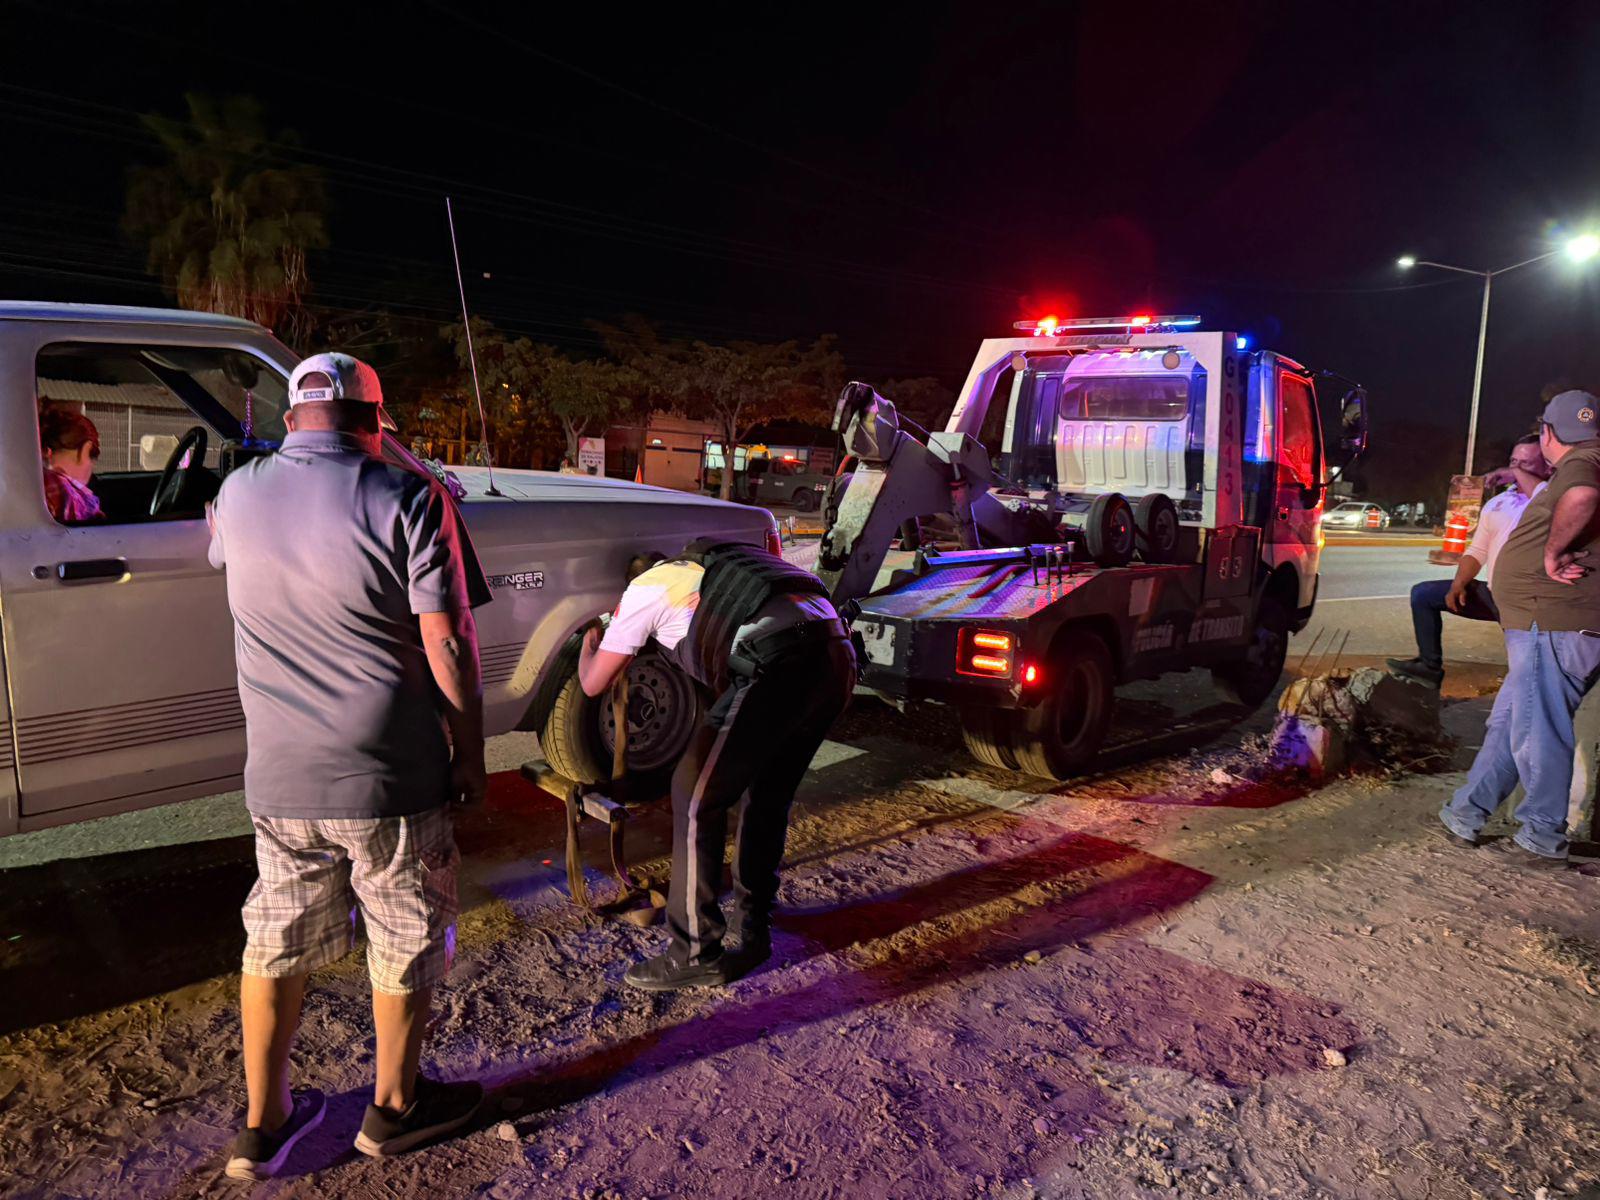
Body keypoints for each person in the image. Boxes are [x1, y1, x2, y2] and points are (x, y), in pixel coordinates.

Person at [209, 353, 492, 1180]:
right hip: (388, 775)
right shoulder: (410, 495)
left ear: (292, 418)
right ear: (378, 421)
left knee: (275, 935)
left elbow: (225, 557)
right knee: (403, 931)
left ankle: (264, 1125)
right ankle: (394, 1109)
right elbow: (447, 640)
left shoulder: (236, 494)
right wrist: (468, 750)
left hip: (279, 778)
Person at [577, 539, 857, 990]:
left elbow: (593, 685)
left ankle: (693, 951)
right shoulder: (717, 571)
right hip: (835, 657)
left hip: (776, 664)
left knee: (692, 799)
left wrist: (588, 646)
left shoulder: (642, 592)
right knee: (766, 797)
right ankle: (753, 930)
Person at [1441, 390, 1600, 871]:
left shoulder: (1581, 463)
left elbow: (1581, 496)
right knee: (1513, 722)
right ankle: (1467, 811)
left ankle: (1541, 831)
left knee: (1538, 728)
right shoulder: (1591, 457)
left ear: (1549, 434)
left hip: (1552, 622)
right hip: (1552, 623)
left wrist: (1552, 553)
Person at [1388, 435, 1551, 686]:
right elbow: (1477, 550)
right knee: (1423, 595)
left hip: (1529, 604)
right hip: (1496, 596)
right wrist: (1459, 584)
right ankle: (1429, 667)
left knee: (1528, 679)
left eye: (1525, 464)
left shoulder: (1551, 499)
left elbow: (1546, 501)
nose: (1514, 469)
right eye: (1512, 461)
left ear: (1548, 467)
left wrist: (1514, 473)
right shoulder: (1499, 503)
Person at [39, 402, 103, 522]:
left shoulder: (35, 482)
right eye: (92, 458)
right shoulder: (65, 492)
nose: (91, 467)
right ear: (84, 451)